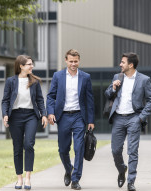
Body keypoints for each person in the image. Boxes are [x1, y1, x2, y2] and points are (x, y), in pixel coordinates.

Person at [104, 52, 151, 191]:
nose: (120, 64)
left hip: (134, 118)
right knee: (115, 150)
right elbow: (108, 94)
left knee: (132, 151)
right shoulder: (117, 77)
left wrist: (141, 117)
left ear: (130, 65)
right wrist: (113, 87)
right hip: (118, 118)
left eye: (123, 62)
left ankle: (131, 182)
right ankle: (122, 170)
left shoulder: (144, 80)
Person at [46, 49, 95, 190]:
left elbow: (89, 100)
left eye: (76, 61)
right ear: (66, 61)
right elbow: (50, 96)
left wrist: (90, 120)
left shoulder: (85, 77)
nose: (73, 64)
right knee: (63, 149)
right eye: (71, 61)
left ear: (79, 61)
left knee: (79, 148)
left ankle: (75, 179)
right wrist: (50, 113)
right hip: (63, 117)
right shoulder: (58, 76)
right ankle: (69, 169)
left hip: (79, 116)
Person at [1, 55, 48, 190]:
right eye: (29, 64)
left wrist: (43, 115)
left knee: (28, 144)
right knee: (17, 147)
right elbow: (5, 100)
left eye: (32, 64)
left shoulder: (34, 82)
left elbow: (40, 100)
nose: (31, 66)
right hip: (15, 116)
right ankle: (19, 179)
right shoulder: (10, 81)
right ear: (21, 66)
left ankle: (28, 177)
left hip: (30, 116)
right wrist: (5, 114)